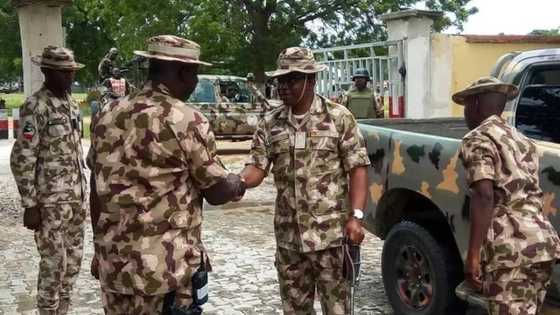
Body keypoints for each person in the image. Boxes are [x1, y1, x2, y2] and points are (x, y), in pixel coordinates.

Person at [88, 35, 246, 315]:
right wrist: (237, 182)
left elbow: (95, 185)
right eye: (194, 74)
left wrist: (98, 246)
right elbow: (216, 191)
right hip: (165, 272)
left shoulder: (108, 113)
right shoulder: (185, 119)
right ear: (184, 71)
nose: (195, 82)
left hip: (114, 266)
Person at [239, 47, 370, 314]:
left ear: (311, 80)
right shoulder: (270, 123)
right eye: (280, 80)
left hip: (331, 239)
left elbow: (357, 167)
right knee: (295, 310)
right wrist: (235, 182)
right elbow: (256, 168)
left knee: (338, 309)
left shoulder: (338, 117)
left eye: (292, 79)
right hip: (290, 240)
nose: (283, 87)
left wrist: (356, 216)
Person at [454, 76, 560, 315]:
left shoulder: (478, 138)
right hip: (542, 245)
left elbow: (483, 196)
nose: (465, 114)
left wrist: (472, 255)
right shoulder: (524, 141)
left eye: (466, 106)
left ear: (477, 104)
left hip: (510, 249)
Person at [10, 46, 87, 315]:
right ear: (46, 72)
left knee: (73, 264)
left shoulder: (72, 104)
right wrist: (30, 204)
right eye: (63, 73)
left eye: (71, 73)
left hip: (76, 201)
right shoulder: (36, 106)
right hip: (50, 204)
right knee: (53, 266)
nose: (69, 78)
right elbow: (22, 157)